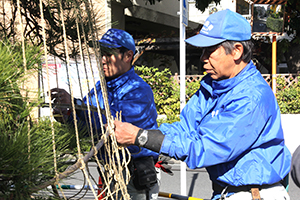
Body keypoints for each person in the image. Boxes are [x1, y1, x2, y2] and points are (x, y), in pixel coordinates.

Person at [113, 9, 291, 200]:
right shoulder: (213, 86)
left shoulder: (251, 96)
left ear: (237, 51)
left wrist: (140, 137)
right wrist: (138, 133)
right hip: (226, 191)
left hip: (255, 194)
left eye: (210, 50)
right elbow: (185, 129)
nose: (202, 58)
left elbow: (206, 149)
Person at [50, 28, 160, 200]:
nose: (102, 60)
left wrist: (77, 105)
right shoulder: (101, 88)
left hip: (134, 176)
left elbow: (115, 127)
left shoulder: (138, 90)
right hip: (109, 172)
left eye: (108, 54)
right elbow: (88, 125)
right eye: (100, 53)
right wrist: (68, 117)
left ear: (128, 56)